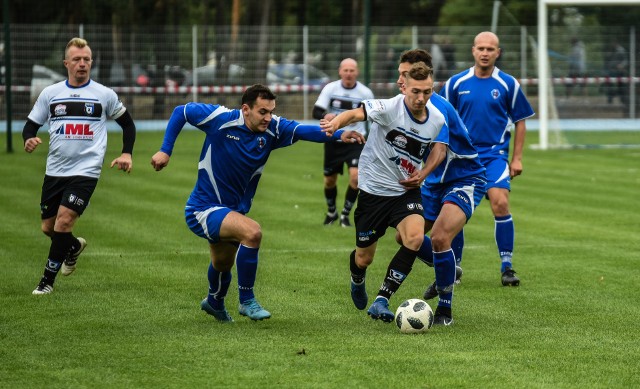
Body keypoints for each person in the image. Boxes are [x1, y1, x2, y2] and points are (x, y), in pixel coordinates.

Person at [150, 84, 364, 323]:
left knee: (222, 263)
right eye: (263, 112)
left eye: (271, 111)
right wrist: (165, 151)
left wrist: (338, 134)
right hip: (202, 208)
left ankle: (214, 301)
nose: (268, 117)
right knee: (252, 232)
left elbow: (304, 131)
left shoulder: (273, 129)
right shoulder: (220, 118)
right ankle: (247, 300)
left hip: (233, 210)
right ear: (246, 109)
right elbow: (182, 111)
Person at [321, 62, 485, 326]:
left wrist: (423, 173)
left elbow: (438, 149)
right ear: (404, 87)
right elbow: (355, 114)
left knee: (414, 237)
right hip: (373, 192)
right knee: (364, 258)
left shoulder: (437, 118)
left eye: (427, 92)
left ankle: (382, 299)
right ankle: (357, 277)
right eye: (416, 92)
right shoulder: (388, 107)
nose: (421, 98)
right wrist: (335, 124)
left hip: (405, 191)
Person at [23, 37, 136, 295]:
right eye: (77, 59)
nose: (82, 64)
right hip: (55, 170)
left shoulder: (103, 95)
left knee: (63, 223)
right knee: (48, 228)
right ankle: (72, 247)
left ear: (91, 62)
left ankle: (46, 282)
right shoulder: (51, 94)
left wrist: (126, 153)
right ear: (66, 63)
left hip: (86, 171)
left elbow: (127, 124)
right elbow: (31, 124)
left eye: (86, 59)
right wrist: (28, 138)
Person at [430, 31, 534, 295]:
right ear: (473, 51)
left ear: (498, 52)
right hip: (462, 157)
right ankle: (455, 267)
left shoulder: (508, 84)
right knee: (455, 209)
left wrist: (517, 157)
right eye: (481, 48)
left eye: (491, 49)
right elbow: (439, 116)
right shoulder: (455, 83)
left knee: (500, 202)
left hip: (494, 155)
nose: (485, 53)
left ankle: (507, 266)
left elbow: (521, 120)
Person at [313, 58, 374, 227]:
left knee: (355, 177)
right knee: (329, 181)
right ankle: (332, 212)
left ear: (357, 72)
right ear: (340, 72)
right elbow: (316, 110)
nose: (348, 74)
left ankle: (345, 215)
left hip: (356, 139)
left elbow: (374, 117)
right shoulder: (331, 88)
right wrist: (326, 116)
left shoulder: (365, 93)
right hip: (334, 139)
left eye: (352, 70)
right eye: (345, 70)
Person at [605, 40, 629, 107]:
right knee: (609, 84)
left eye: (613, 43)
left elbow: (625, 60)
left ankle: (622, 101)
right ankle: (610, 100)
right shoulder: (612, 50)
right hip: (612, 71)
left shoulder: (621, 50)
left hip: (619, 71)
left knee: (620, 86)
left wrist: (622, 65)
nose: (612, 44)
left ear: (616, 43)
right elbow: (609, 60)